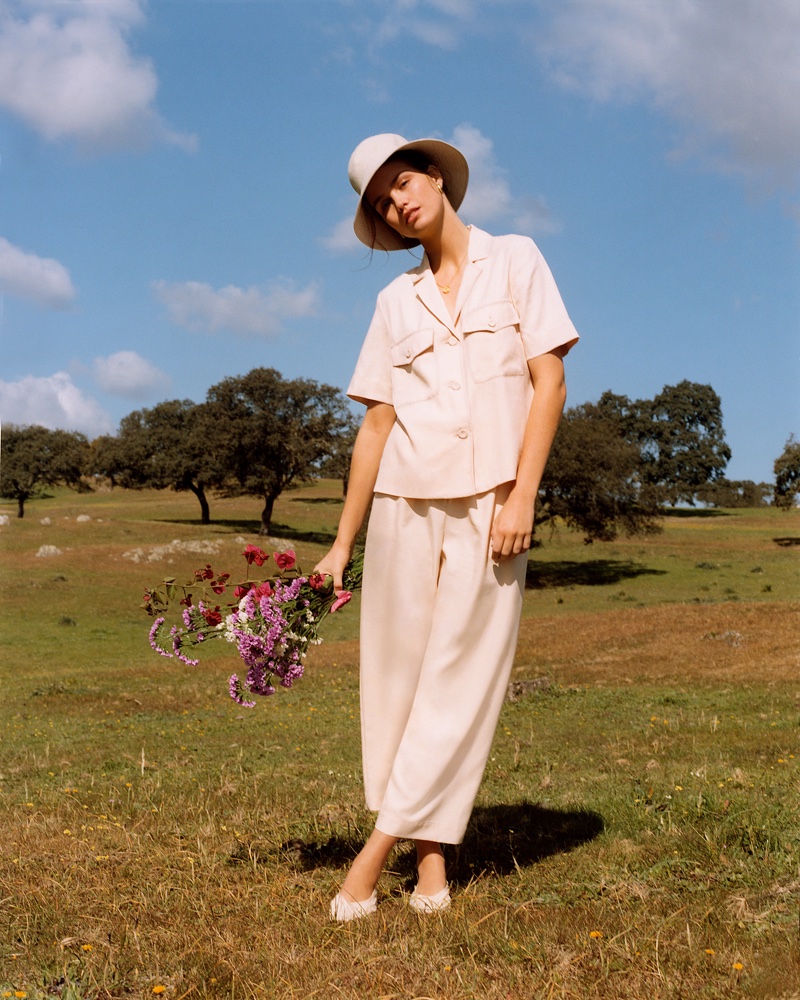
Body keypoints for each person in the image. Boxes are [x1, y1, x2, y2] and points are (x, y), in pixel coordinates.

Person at [314, 133, 579, 921]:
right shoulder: (394, 302)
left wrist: (523, 494)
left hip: (492, 504)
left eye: (404, 183)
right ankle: (431, 868)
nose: (400, 202)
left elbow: (550, 380)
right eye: (383, 200)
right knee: (401, 680)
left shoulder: (518, 259)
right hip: (404, 503)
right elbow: (374, 429)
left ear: (435, 176)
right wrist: (339, 545)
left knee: (461, 678)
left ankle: (371, 857)